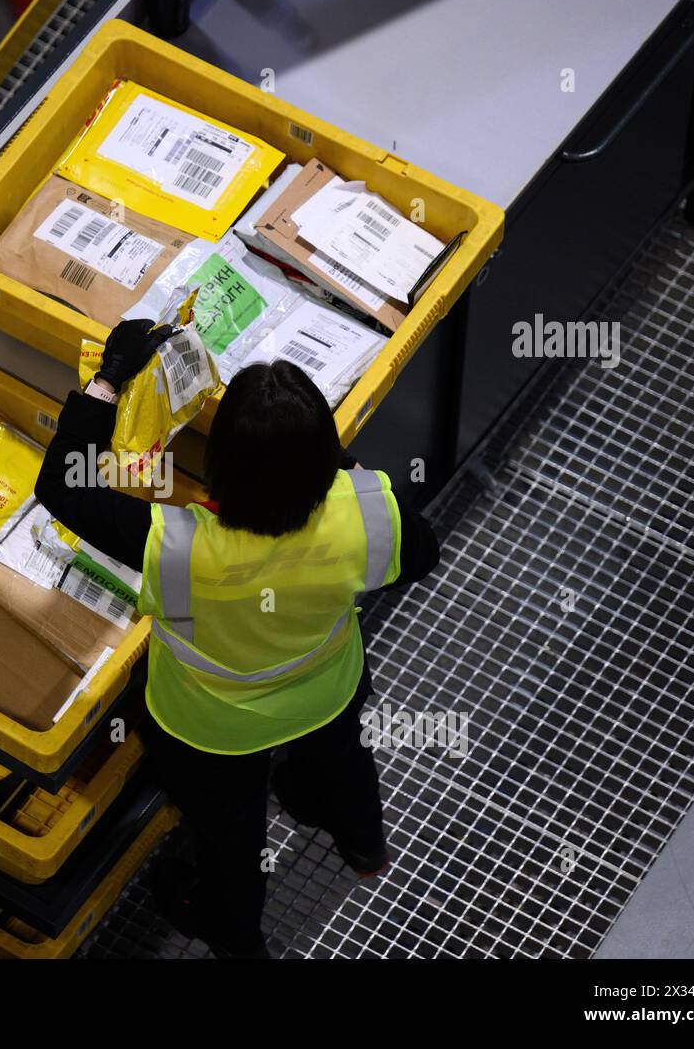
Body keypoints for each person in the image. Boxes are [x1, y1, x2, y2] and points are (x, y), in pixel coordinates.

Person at [34, 319, 440, 958]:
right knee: (344, 767)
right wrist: (340, 468)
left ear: (218, 468)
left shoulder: (177, 547)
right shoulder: (363, 511)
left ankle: (240, 942)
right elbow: (423, 554)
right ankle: (362, 846)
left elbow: (61, 485)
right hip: (323, 694)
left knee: (232, 844)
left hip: (211, 729)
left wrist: (108, 380)